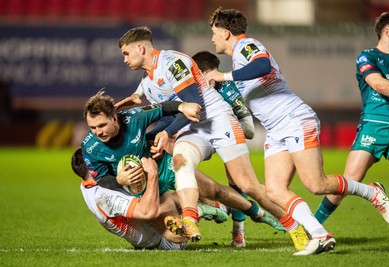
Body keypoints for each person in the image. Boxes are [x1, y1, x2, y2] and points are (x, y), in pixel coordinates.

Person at [205, 7, 389, 255]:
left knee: (316, 184)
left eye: (214, 32)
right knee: (274, 190)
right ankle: (320, 235)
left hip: (294, 118)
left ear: (227, 33)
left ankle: (372, 192)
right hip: (276, 129)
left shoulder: (246, 45)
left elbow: (262, 66)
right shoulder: (239, 56)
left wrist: (223, 75)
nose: (212, 38)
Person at [116, 26, 307, 249]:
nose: (125, 59)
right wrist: (153, 137)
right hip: (194, 128)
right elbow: (175, 114)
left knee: (250, 186)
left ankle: (295, 226)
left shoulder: (172, 63)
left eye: (126, 53)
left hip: (218, 120)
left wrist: (165, 133)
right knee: (180, 159)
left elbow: (192, 106)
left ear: (141, 48)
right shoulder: (148, 83)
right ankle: (190, 218)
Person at [81, 90, 286, 244]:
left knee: (215, 190)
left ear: (114, 118)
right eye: (93, 127)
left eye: (102, 125)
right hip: (142, 191)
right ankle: (200, 210)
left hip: (162, 166)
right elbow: (101, 180)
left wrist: (182, 107)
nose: (98, 132)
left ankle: (256, 212)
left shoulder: (134, 117)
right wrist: (118, 180)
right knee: (175, 236)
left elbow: (163, 107)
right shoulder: (90, 147)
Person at [314, 12, 389, 224]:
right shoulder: (367, 57)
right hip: (372, 127)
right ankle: (313, 225)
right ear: (387, 32)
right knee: (349, 182)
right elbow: (378, 84)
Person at [192, 50, 254, 247]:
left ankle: (238, 233)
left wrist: (227, 125)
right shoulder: (188, 87)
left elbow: (250, 130)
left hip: (226, 135)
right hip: (201, 136)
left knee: (238, 182)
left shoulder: (228, 89)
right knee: (179, 167)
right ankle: (214, 207)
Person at [71, 147, 188, 250]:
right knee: (185, 199)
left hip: (144, 231)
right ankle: (197, 212)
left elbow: (103, 221)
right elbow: (147, 211)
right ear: (91, 168)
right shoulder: (103, 197)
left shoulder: (86, 184)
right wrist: (152, 173)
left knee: (180, 195)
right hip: (162, 240)